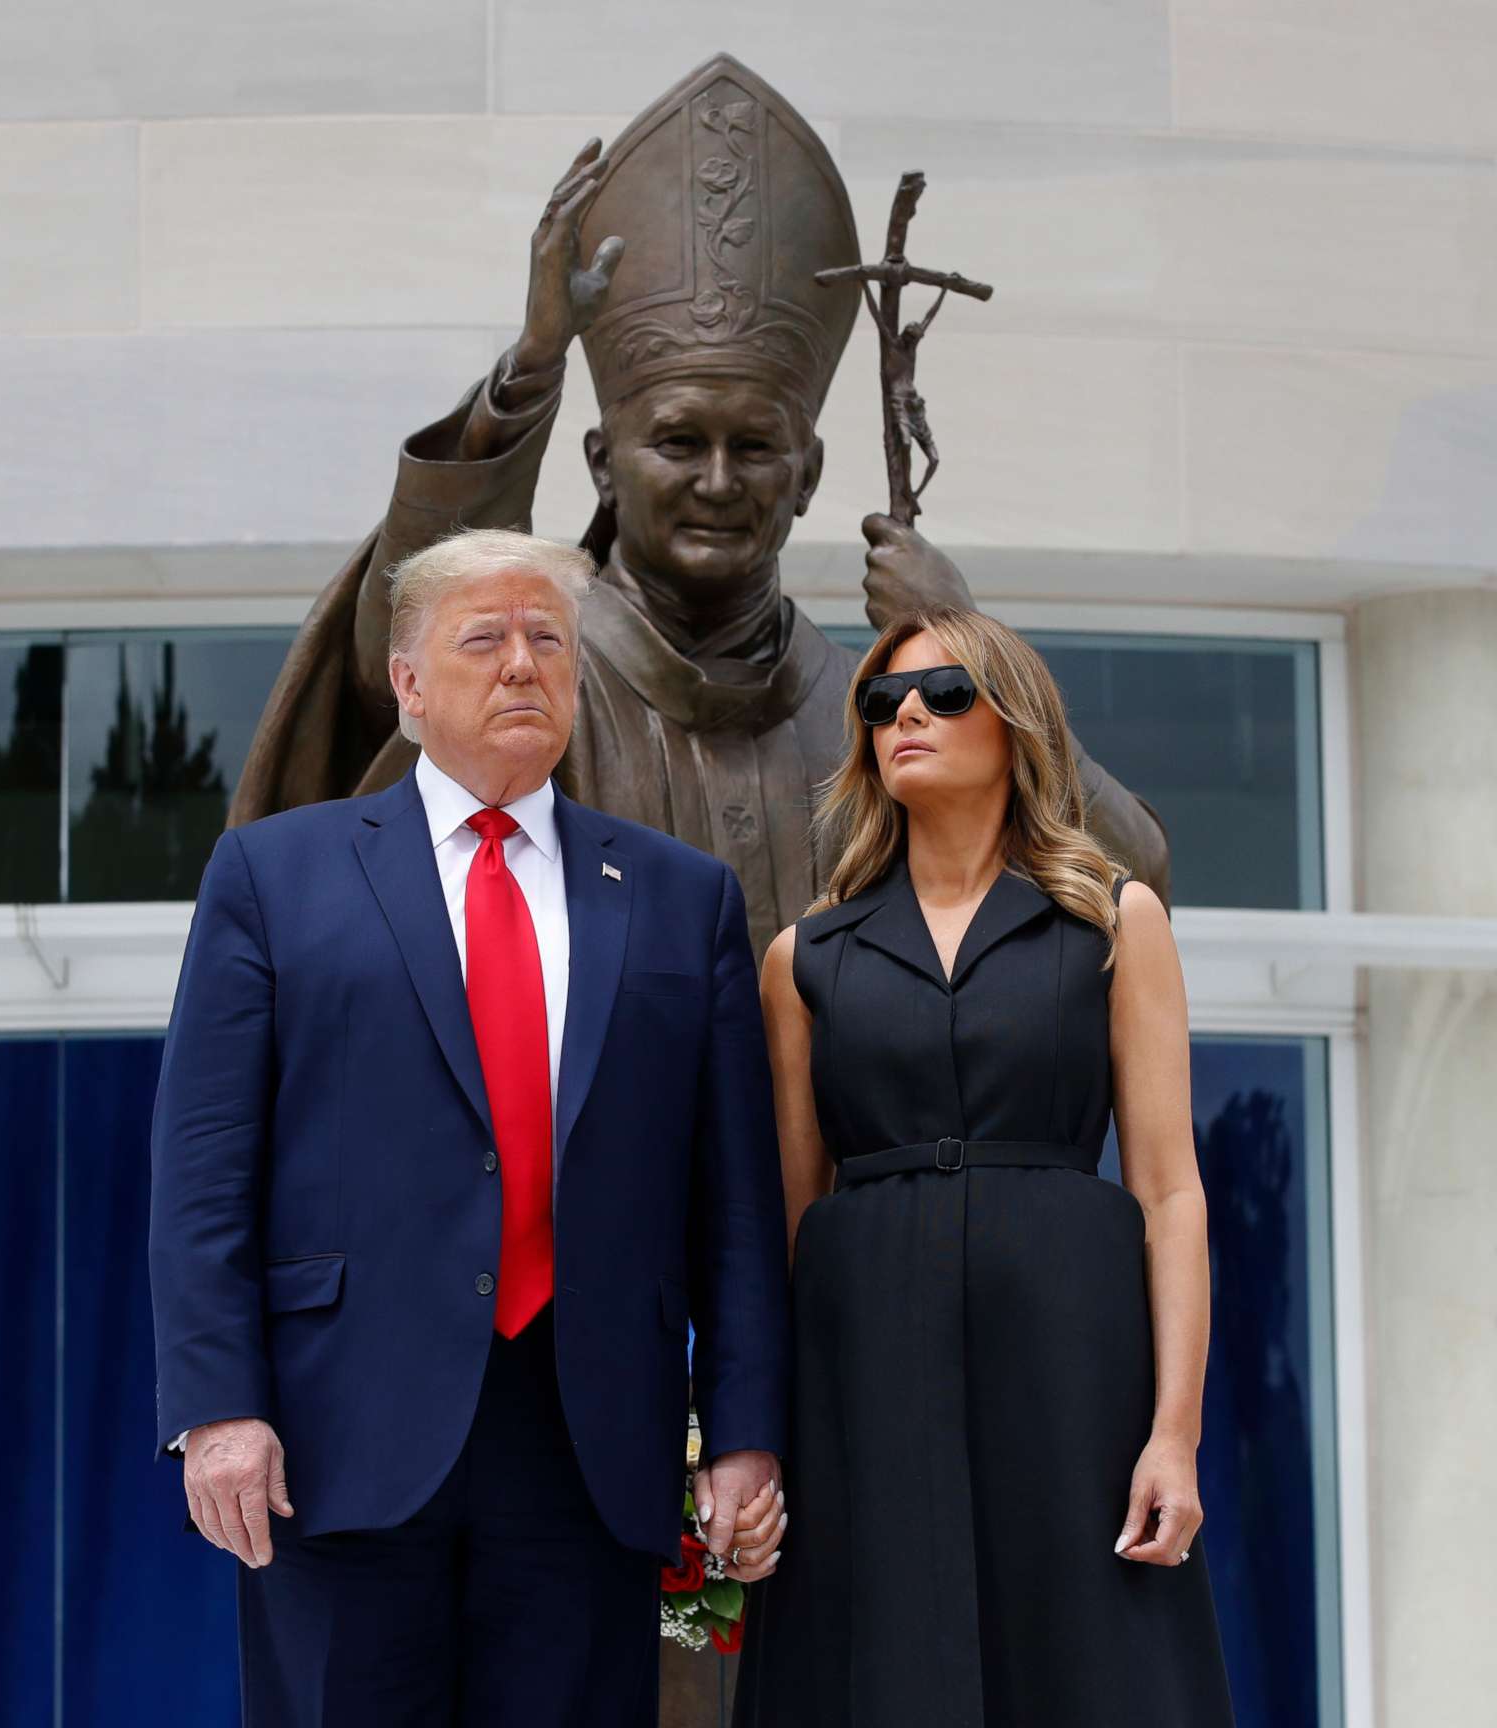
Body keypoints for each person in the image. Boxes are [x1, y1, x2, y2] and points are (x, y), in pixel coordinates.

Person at [228, 52, 1172, 959]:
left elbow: (1133, 885)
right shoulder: (535, 685)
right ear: (604, 463)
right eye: (680, 443)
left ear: (805, 475)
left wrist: (967, 650)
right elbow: (391, 646)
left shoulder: (881, 715)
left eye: (756, 448)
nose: (719, 484)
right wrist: (533, 368)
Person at [148, 527, 791, 1726]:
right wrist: (217, 1407)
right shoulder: (274, 876)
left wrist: (746, 1432)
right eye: (484, 639)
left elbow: (736, 1207)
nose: (521, 666)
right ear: (407, 683)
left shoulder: (677, 896)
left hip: (588, 1439)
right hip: (336, 1440)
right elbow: (202, 1172)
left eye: (548, 639)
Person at [730, 606, 1238, 1726]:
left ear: (1015, 722)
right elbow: (790, 1216)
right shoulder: (804, 959)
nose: (907, 713)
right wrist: (751, 1432)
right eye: (882, 702)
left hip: (1071, 1359)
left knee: (1084, 1666)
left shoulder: (1113, 922)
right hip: (861, 1369)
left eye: (946, 692)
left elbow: (1169, 1187)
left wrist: (1174, 1433)